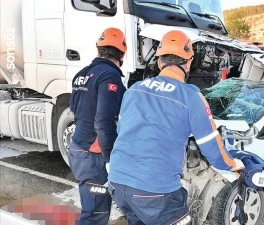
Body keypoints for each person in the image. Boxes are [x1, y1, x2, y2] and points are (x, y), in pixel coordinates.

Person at [108, 30, 244, 225]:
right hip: (155, 191)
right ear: (188, 63)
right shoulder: (190, 97)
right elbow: (212, 149)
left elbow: (123, 131)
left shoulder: (134, 89)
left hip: (118, 182)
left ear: (159, 61)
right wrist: (233, 165)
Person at [69, 27, 127, 225]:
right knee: (95, 216)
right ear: (123, 53)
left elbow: (75, 109)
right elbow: (103, 122)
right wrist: (110, 159)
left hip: (79, 149)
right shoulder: (110, 77)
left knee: (92, 211)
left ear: (98, 49)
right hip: (94, 155)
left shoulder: (81, 74)